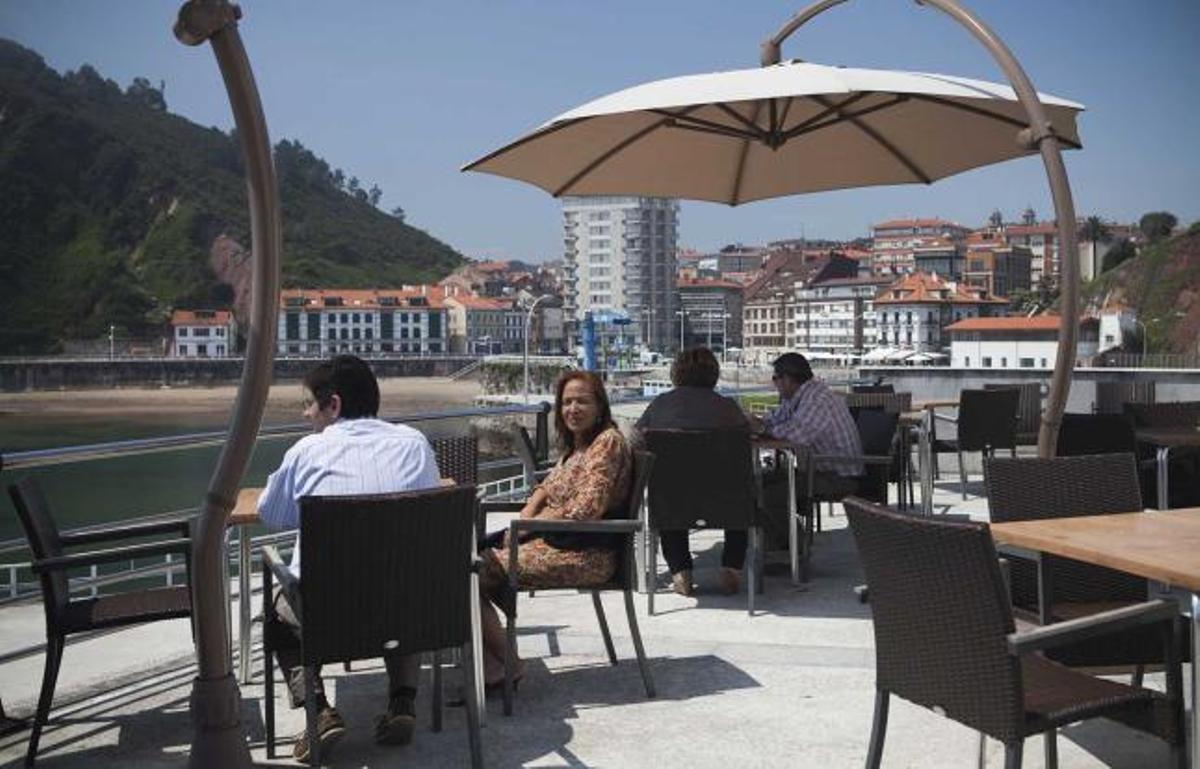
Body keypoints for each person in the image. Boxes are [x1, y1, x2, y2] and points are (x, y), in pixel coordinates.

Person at [257, 354, 441, 762]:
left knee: (277, 619)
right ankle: (403, 701)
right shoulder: (414, 443)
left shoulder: (308, 451)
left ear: (334, 405)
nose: (307, 415)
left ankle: (318, 711)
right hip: (412, 609)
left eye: (309, 404)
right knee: (397, 574)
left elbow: (272, 515)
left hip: (329, 615)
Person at [479, 371, 632, 690]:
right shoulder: (577, 446)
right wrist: (525, 516)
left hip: (587, 554)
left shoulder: (607, 443)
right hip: (557, 542)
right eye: (566, 402)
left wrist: (528, 526)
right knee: (471, 563)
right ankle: (494, 658)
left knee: (472, 572)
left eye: (582, 401)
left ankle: (508, 663)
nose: (573, 408)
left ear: (600, 405)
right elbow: (547, 486)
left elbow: (587, 509)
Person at [633, 347, 750, 596]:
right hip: (727, 499)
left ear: (676, 373)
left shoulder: (660, 404)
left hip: (673, 501)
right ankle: (732, 565)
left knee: (668, 492)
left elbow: (635, 439)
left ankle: (680, 569)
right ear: (714, 374)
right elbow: (748, 432)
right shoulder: (728, 407)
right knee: (742, 502)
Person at [750, 352, 862, 546]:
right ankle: (779, 546)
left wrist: (761, 428)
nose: (774, 383)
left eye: (775, 378)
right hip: (819, 469)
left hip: (839, 475)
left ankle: (794, 547)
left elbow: (798, 435)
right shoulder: (797, 397)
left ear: (788, 379)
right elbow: (778, 419)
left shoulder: (816, 398)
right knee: (755, 483)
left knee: (769, 494)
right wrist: (760, 422)